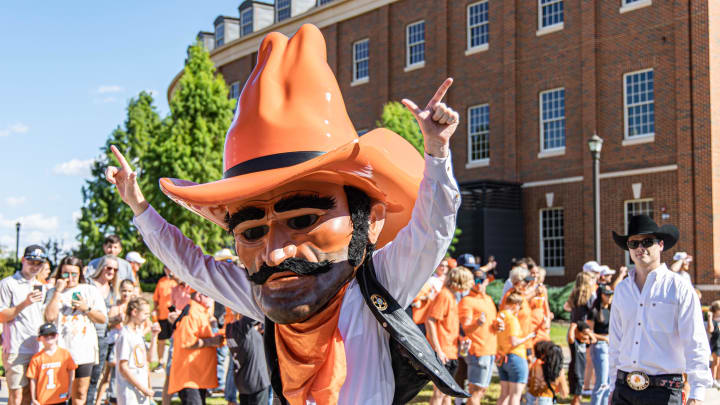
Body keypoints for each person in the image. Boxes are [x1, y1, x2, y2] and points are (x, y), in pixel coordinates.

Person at [105, 24, 466, 404]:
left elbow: (431, 229)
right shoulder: (262, 292)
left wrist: (437, 153)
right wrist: (139, 207)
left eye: (302, 221)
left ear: (371, 221)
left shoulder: (379, 284)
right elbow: (192, 264)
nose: (275, 253)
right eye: (252, 231)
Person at [609, 215, 712, 405]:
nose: (640, 248)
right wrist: (612, 385)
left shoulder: (679, 288)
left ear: (661, 245)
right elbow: (616, 342)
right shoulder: (622, 290)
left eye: (647, 242)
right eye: (634, 243)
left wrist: (697, 393)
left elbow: (695, 341)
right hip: (623, 389)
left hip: (663, 392)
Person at [44, 256, 108, 405]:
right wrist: (58, 291)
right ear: (60, 273)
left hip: (83, 350)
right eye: (66, 273)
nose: (70, 278)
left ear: (80, 274)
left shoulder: (89, 290)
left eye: (74, 274)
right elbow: (49, 317)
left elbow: (102, 319)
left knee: (80, 393)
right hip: (60, 350)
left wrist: (86, 309)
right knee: (58, 394)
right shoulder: (53, 292)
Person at [0, 244, 48, 405]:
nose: (35, 266)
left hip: (38, 347)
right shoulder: (8, 283)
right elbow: (2, 316)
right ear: (23, 260)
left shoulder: (44, 286)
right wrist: (24, 303)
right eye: (31, 262)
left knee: (30, 395)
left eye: (39, 263)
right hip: (15, 348)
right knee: (16, 394)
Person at [426, 266, 474, 405]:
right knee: (439, 393)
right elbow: (430, 320)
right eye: (469, 281)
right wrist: (438, 350)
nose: (471, 284)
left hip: (451, 351)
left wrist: (461, 340)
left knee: (447, 393)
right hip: (444, 352)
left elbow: (449, 325)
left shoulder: (451, 296)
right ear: (460, 281)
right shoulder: (444, 295)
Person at [168, 290, 223, 404]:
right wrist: (211, 341)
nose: (211, 300)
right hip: (189, 378)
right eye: (209, 296)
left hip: (198, 378)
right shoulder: (192, 313)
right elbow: (188, 342)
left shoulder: (201, 312)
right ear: (199, 295)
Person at [458, 271, 500, 405]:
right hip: (477, 351)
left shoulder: (488, 299)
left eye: (482, 280)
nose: (479, 283)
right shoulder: (467, 301)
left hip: (490, 350)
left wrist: (498, 325)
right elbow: (465, 328)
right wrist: (477, 323)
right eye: (476, 281)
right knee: (475, 390)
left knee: (482, 390)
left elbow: (493, 322)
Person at [95, 279, 137, 405]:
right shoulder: (116, 306)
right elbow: (108, 322)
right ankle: (98, 401)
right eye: (124, 290)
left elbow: (143, 324)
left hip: (129, 343)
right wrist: (117, 319)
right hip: (114, 342)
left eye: (129, 291)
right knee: (108, 374)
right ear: (120, 291)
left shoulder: (134, 307)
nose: (126, 294)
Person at [87, 255, 119, 405]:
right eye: (108, 267)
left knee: (95, 376)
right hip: (85, 334)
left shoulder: (112, 290)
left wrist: (118, 319)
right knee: (80, 376)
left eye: (114, 269)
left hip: (103, 336)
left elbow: (108, 318)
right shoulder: (89, 284)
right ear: (101, 267)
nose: (111, 271)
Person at [496, 291, 535, 405]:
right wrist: (527, 337)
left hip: (502, 358)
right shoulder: (512, 319)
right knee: (515, 395)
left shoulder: (500, 316)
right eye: (520, 306)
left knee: (505, 394)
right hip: (516, 357)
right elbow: (514, 341)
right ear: (515, 304)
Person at [115, 297, 154, 405]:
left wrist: (154, 336)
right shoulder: (125, 335)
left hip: (141, 388)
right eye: (145, 314)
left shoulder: (138, 333)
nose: (147, 318)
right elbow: (123, 367)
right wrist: (142, 388)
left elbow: (148, 360)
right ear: (134, 312)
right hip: (129, 390)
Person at [27, 323, 77, 405]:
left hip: (60, 396)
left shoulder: (64, 354)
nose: (49, 337)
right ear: (39, 338)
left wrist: (70, 388)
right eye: (46, 335)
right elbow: (33, 379)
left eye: (52, 334)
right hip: (43, 398)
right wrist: (33, 398)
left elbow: (71, 370)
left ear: (57, 336)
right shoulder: (37, 358)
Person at [225, 313, 270, 405]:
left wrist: (255, 329)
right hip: (256, 382)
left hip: (243, 382)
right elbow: (254, 312)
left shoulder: (229, 329)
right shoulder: (242, 328)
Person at [589, 285, 612, 405]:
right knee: (601, 381)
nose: (609, 297)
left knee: (609, 382)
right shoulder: (594, 311)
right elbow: (589, 332)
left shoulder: (610, 310)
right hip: (600, 346)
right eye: (606, 294)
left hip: (610, 346)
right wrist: (604, 338)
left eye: (610, 294)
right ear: (601, 295)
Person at [152, 266, 178, 372]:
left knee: (175, 340)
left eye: (170, 267)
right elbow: (155, 298)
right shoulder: (161, 281)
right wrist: (154, 310)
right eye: (166, 268)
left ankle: (174, 362)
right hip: (162, 315)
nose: (169, 270)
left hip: (174, 315)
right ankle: (160, 362)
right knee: (161, 340)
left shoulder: (177, 281)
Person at [525, 340, 568, 405]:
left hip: (531, 398)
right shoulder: (559, 371)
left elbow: (528, 383)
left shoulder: (536, 366)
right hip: (547, 399)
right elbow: (564, 393)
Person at [568, 321, 593, 405]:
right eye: (584, 333)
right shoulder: (575, 343)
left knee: (578, 396)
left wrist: (589, 333)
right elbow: (570, 338)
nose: (586, 336)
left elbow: (594, 339)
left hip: (581, 372)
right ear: (577, 333)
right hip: (575, 372)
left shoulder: (584, 344)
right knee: (577, 397)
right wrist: (572, 327)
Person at [707, 300, 720, 388]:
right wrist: (709, 318)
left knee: (718, 363)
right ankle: (713, 379)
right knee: (715, 362)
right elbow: (710, 330)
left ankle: (718, 379)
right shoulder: (713, 320)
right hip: (716, 343)